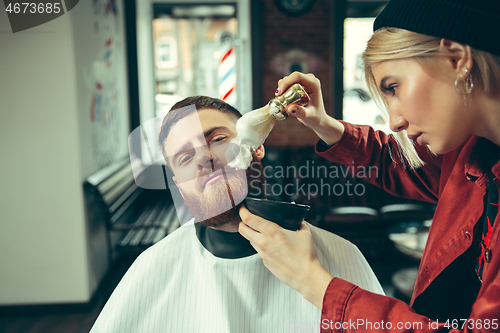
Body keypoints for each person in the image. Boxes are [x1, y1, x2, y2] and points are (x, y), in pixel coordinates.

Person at [238, 0, 500, 331]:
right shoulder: (476, 156)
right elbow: (400, 164)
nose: (394, 121)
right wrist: (324, 124)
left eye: (393, 87)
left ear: (457, 58)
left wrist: (314, 282)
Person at [89, 96, 384, 333]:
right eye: (185, 157)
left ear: (256, 147)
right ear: (178, 184)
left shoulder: (341, 255)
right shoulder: (151, 269)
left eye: (217, 139)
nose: (205, 157)